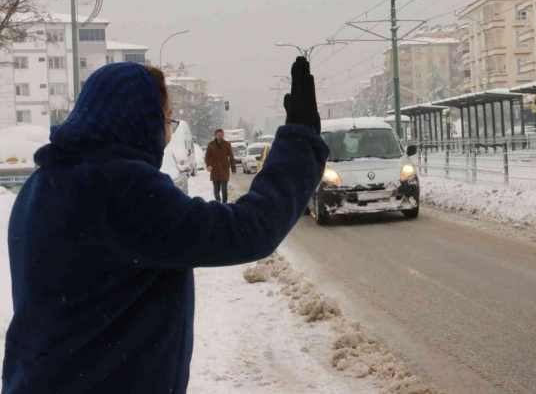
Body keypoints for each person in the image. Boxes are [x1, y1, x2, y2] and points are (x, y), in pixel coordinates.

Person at [2, 58, 327, 394]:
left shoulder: (42, 185)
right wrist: (300, 143)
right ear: (143, 120)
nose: (167, 133)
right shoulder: (120, 188)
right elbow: (248, 229)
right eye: (166, 120)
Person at [204, 128, 236, 202]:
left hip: (224, 170)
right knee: (216, 190)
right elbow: (207, 156)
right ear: (215, 135)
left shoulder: (227, 144)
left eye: (221, 135)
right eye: (218, 135)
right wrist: (208, 165)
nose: (220, 137)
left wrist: (233, 168)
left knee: (224, 189)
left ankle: (224, 204)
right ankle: (218, 204)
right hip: (215, 170)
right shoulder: (211, 144)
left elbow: (231, 156)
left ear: (223, 135)